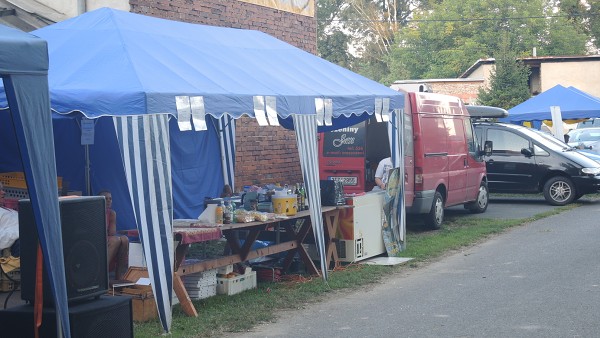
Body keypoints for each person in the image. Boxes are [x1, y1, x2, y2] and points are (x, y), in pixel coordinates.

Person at [98, 190, 129, 280]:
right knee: (115, 240)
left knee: (124, 239)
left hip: (107, 238)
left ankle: (119, 275)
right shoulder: (94, 212)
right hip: (97, 239)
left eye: (110, 199)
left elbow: (112, 233)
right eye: (106, 198)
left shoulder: (111, 213)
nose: (108, 201)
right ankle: (101, 274)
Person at [0, 182, 19, 255]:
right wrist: (23, 230)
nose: (3, 192)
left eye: (2, 189)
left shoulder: (9, 211)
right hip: (20, 243)